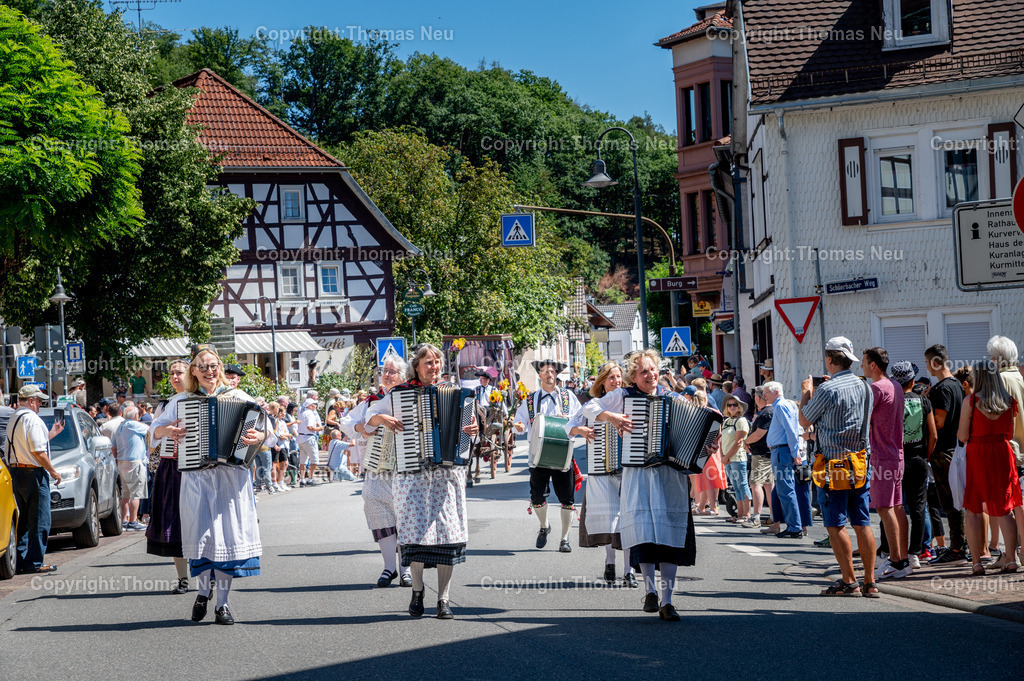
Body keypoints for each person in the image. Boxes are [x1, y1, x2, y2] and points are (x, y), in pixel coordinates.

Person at [151, 345, 266, 625]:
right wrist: (167, 430)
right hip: (196, 479)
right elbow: (153, 431)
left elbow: (267, 430)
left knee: (227, 538)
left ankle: (222, 605)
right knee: (201, 537)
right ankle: (203, 593)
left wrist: (259, 437)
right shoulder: (181, 400)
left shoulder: (239, 397)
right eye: (202, 367)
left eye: (213, 366)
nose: (209, 371)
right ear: (193, 371)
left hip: (231, 479)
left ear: (220, 368)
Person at [365, 344, 479, 619]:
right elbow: (369, 418)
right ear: (416, 366)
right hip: (412, 475)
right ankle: (417, 590)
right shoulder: (400, 394)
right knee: (414, 536)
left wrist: (473, 429)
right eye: (428, 362)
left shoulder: (455, 392)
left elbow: (469, 431)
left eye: (437, 362)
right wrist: (381, 417)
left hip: (446, 476)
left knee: (448, 537)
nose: (434, 367)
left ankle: (444, 599)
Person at [582, 349, 697, 621]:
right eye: (644, 371)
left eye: (653, 369)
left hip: (670, 476)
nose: (650, 375)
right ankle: (650, 591)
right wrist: (611, 417)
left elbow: (696, 432)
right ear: (633, 377)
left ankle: (667, 601)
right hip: (638, 476)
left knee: (669, 538)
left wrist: (705, 445)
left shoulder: (673, 398)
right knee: (643, 534)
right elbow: (589, 407)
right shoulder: (623, 396)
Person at [799, 336, 878, 596]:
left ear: (830, 358)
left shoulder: (827, 389)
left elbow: (804, 421)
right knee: (862, 522)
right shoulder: (865, 386)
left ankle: (849, 581)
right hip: (860, 462)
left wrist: (806, 393)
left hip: (833, 464)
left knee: (835, 524)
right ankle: (870, 582)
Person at [341, 356, 412, 587]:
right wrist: (362, 428)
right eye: (385, 371)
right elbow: (346, 422)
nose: (387, 375)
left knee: (405, 514)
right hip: (377, 465)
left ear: (403, 376)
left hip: (406, 465)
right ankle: (389, 567)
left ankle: (406, 570)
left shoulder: (411, 396)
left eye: (392, 371)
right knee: (377, 508)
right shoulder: (372, 400)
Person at [566, 362, 638, 587]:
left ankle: (628, 571)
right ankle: (610, 561)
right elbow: (568, 428)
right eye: (611, 377)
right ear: (603, 382)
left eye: (618, 377)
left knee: (628, 519)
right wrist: (580, 430)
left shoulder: (630, 401)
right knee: (610, 520)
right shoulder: (594, 404)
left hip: (629, 469)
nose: (616, 381)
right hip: (602, 470)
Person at [513, 359, 582, 553]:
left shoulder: (568, 397)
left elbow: (580, 418)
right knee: (537, 497)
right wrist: (519, 426)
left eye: (552, 371)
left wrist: (570, 422)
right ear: (540, 375)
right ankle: (544, 526)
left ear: (556, 375)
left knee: (567, 499)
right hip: (538, 456)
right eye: (545, 371)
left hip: (563, 454)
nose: (549, 374)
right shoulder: (530, 400)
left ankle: (565, 539)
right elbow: (519, 422)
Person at [960, 360, 1022, 576]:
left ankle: (977, 563)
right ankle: (1011, 559)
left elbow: (962, 435)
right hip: (1002, 452)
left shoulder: (971, 401)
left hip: (978, 453)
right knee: (1005, 508)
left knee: (974, 508)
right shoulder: (1008, 401)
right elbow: (1010, 433)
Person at [861, 347, 910, 580]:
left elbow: (862, 418)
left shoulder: (877, 388)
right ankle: (903, 559)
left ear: (873, 365)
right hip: (896, 454)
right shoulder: (896, 385)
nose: (861, 366)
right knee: (897, 507)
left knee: (884, 508)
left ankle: (897, 561)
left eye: (864, 362)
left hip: (882, 456)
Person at [5, 385, 63, 574]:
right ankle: (35, 562)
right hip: (33, 473)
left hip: (17, 471)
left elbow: (28, 445)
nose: (40, 404)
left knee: (24, 520)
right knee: (40, 520)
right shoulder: (32, 419)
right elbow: (38, 451)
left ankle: (21, 560)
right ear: (30, 401)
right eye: (38, 401)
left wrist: (52, 434)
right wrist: (53, 472)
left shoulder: (15, 416)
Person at [146, 358, 191, 594]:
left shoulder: (201, 399)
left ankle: (209, 575)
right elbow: (152, 434)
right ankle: (183, 578)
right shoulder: (167, 404)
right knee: (175, 523)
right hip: (172, 466)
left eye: (179, 372)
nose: (174, 377)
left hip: (197, 469)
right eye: (172, 373)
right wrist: (166, 430)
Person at [887, 361, 935, 570]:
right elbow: (933, 434)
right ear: (913, 380)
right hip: (918, 458)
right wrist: (926, 456)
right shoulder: (923, 401)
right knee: (918, 508)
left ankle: (891, 551)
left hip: (895, 459)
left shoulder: (891, 401)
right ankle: (915, 553)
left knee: (892, 506)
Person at [924, 344, 967, 564]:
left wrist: (926, 408)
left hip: (944, 453)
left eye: (927, 362)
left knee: (950, 504)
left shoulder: (941, 389)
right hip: (957, 449)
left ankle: (957, 548)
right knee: (957, 501)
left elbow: (939, 422)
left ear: (934, 362)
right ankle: (959, 545)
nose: (926, 367)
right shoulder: (958, 385)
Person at [987, 336, 1024, 566]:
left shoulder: (998, 380)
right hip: (1020, 448)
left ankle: (1011, 555)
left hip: (1007, 449)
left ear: (996, 358)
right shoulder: (1020, 377)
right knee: (1019, 503)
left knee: (1006, 505)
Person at [763, 382, 805, 538]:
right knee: (784, 490)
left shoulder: (781, 406)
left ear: (776, 392)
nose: (764, 396)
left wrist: (794, 453)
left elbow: (791, 431)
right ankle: (793, 526)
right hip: (780, 451)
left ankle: (794, 527)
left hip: (782, 451)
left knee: (786, 490)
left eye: (766, 392)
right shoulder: (781, 406)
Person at [113, 406, 150, 531]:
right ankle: (133, 521)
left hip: (122, 462)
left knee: (125, 494)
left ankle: (124, 520)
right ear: (136, 416)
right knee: (135, 494)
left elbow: (114, 447)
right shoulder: (134, 424)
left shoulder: (120, 427)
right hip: (134, 463)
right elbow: (150, 430)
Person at [745, 386, 775, 530]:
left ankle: (756, 517)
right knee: (768, 485)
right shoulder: (770, 411)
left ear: (758, 398)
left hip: (762, 455)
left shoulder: (766, 412)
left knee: (755, 484)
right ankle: (773, 517)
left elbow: (759, 434)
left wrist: (746, 441)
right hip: (767, 454)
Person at [721, 395, 752, 524]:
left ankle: (746, 515)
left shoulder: (741, 420)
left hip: (737, 458)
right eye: (729, 405)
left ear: (739, 407)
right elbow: (722, 440)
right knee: (736, 486)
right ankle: (739, 514)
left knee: (742, 485)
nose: (732, 407)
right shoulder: (727, 421)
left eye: (735, 405)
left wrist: (726, 457)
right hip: (728, 458)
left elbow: (739, 442)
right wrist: (723, 456)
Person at [296, 397, 324, 486]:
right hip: (308, 438)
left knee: (303, 460)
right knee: (314, 459)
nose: (315, 406)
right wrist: (319, 428)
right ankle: (310, 478)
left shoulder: (302, 413)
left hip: (301, 437)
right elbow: (310, 427)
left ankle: (302, 479)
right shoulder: (310, 414)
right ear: (310, 406)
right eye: (314, 404)